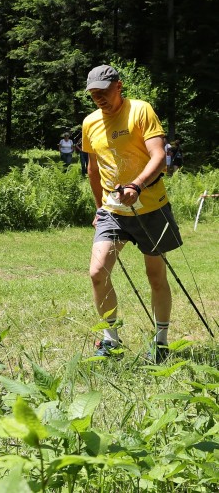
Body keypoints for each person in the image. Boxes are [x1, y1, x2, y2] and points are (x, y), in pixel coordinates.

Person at [82, 64, 183, 363]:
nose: (98, 97)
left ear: (118, 86)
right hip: (112, 211)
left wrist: (137, 185)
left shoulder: (141, 111)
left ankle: (161, 341)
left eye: (103, 90)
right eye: (93, 93)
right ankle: (111, 340)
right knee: (97, 272)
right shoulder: (90, 123)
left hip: (150, 206)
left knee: (155, 275)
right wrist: (99, 204)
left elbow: (159, 157)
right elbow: (93, 169)